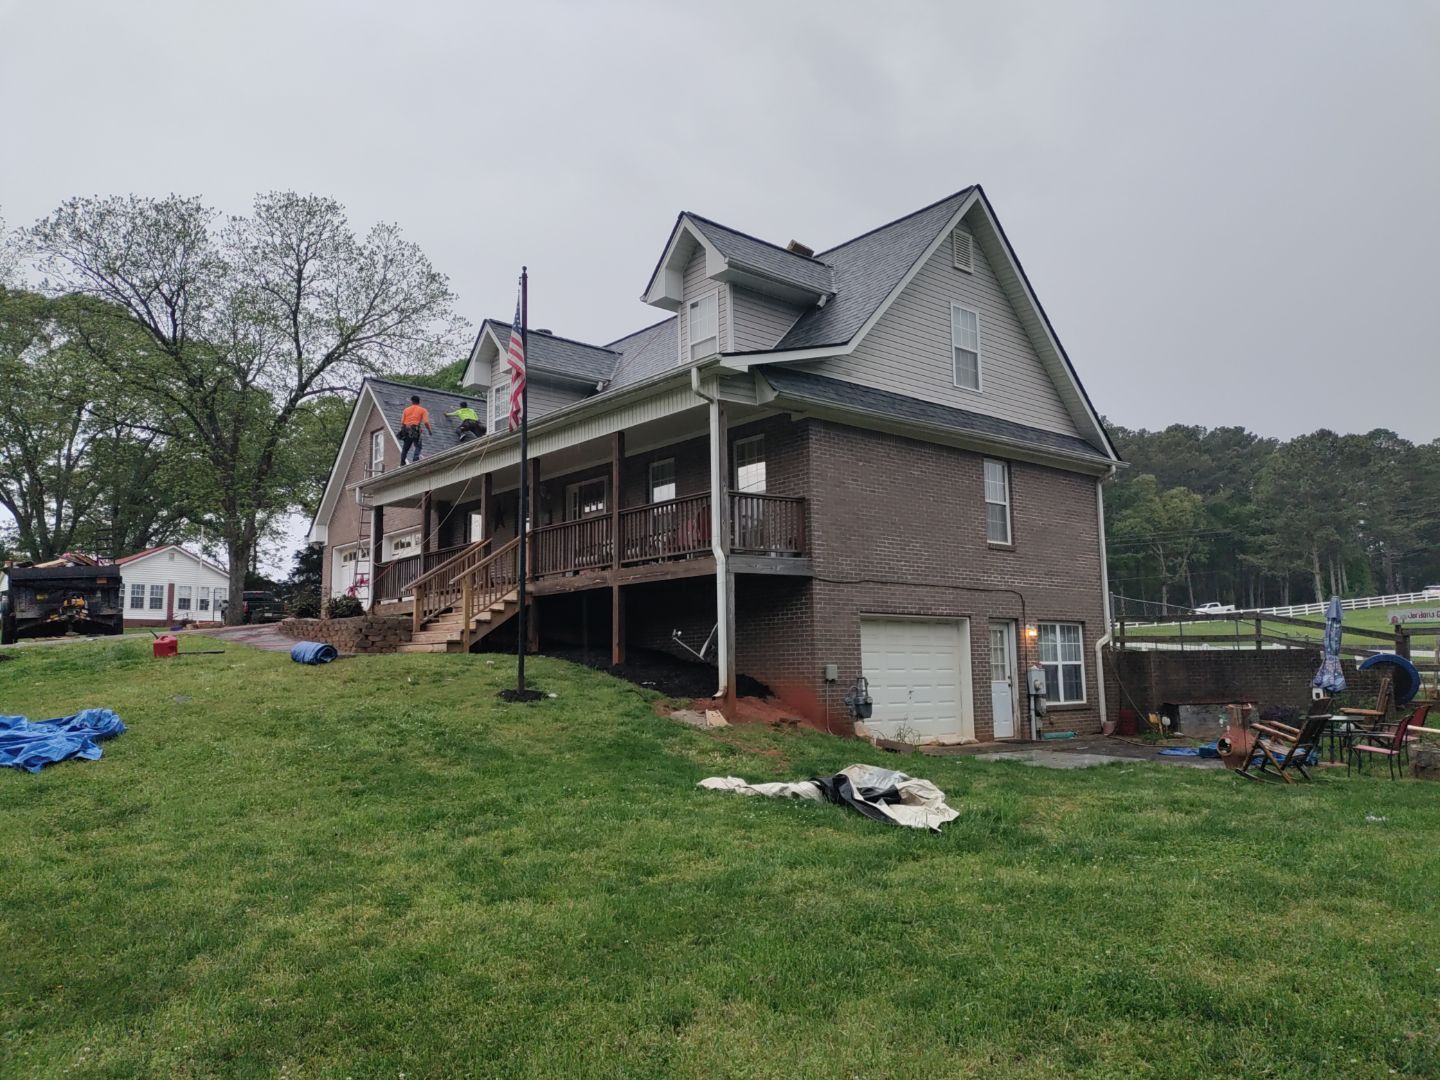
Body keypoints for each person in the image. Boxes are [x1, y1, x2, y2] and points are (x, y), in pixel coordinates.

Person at [399, 395, 431, 464]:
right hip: (415, 429)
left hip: (406, 429)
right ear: (419, 402)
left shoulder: (406, 410)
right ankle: (415, 458)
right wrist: (429, 430)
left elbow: (402, 422)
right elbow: (426, 422)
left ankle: (402, 462)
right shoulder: (422, 410)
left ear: (412, 401)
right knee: (418, 445)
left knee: (405, 447)